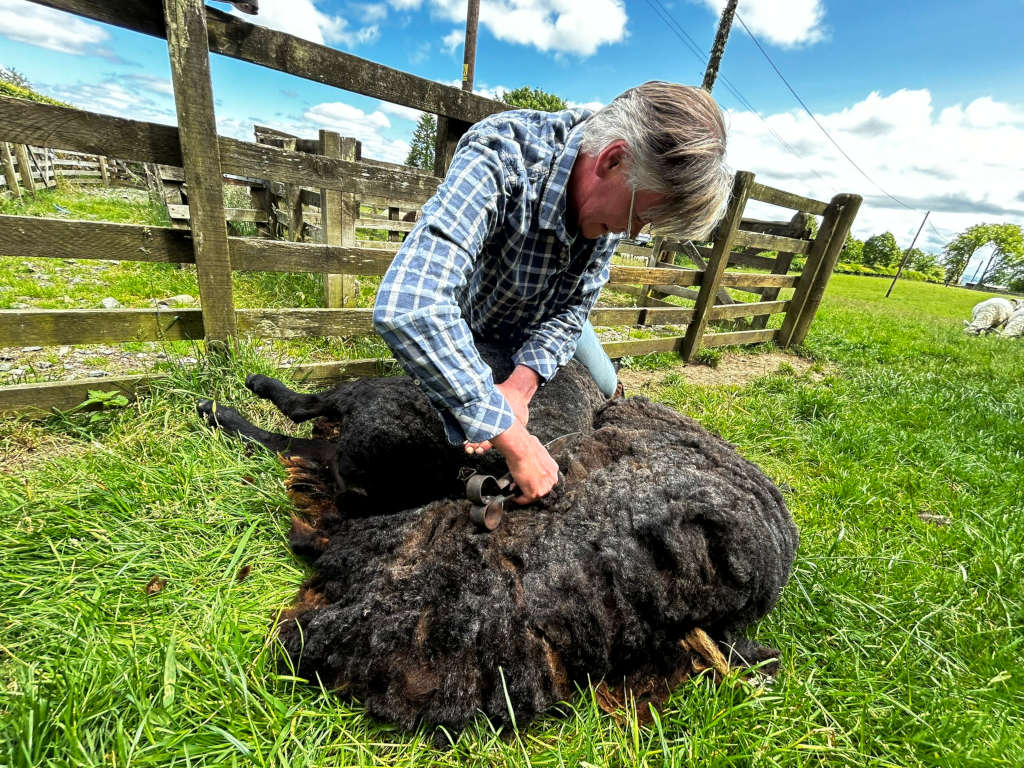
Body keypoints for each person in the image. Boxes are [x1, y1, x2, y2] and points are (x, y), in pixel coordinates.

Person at [373, 81, 730, 504]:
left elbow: (574, 308)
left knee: (606, 385)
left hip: (542, 317)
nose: (633, 232)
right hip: (476, 318)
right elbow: (411, 303)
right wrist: (513, 439)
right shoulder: (501, 155)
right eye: (639, 216)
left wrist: (519, 389)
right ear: (613, 159)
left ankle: (606, 396)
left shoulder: (617, 196)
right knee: (452, 422)